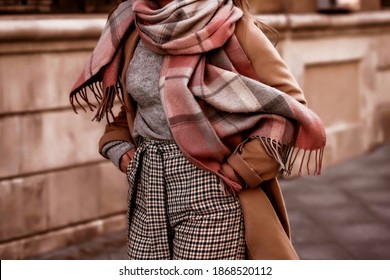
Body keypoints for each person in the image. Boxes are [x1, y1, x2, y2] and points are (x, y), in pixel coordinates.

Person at [69, 0, 326, 260]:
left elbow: (290, 105)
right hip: (148, 186)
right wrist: (118, 146)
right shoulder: (133, 26)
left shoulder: (232, 25)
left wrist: (241, 169)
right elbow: (136, 106)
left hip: (211, 185)